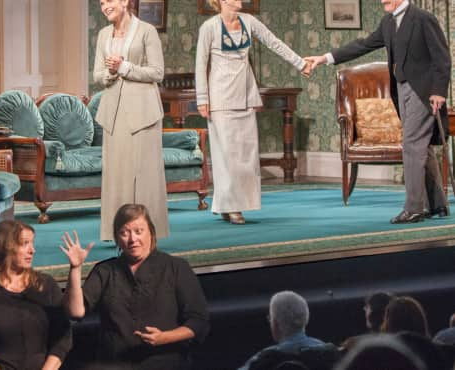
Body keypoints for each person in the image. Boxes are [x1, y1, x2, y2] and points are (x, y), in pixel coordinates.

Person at [305, 0, 451, 224]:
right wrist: (325, 58)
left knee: (412, 144)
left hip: (423, 91)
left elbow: (442, 58)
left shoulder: (422, 18)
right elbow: (362, 45)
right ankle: (438, 203)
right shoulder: (388, 22)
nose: (383, 1)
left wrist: (439, 91)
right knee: (421, 146)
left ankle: (414, 208)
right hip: (401, 89)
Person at [195, 0, 311, 225]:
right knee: (226, 156)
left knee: (246, 155)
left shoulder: (249, 22)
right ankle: (231, 206)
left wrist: (300, 63)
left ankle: (229, 203)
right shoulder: (209, 27)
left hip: (245, 96)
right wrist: (202, 99)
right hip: (221, 97)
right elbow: (200, 64)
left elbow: (274, 43)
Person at [60, 203, 210, 369]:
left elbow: (199, 321)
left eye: (139, 231)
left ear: (151, 233)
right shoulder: (105, 270)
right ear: (117, 238)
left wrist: (165, 337)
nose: (132, 239)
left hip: (164, 362)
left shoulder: (175, 267)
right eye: (124, 233)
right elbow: (76, 312)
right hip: (115, 364)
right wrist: (75, 269)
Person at [93, 0, 169, 240]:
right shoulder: (104, 34)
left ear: (125, 1)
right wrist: (109, 73)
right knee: (116, 176)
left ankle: (148, 233)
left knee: (145, 177)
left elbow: (157, 72)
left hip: (143, 114)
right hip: (114, 114)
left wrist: (124, 67)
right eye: (102, 2)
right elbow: (97, 74)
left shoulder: (147, 31)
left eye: (110, 1)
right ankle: (117, 232)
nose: (105, 6)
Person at [0, 220, 72, 370]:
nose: (32, 250)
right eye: (25, 243)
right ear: (6, 246)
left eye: (32, 243)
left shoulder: (46, 285)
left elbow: (63, 335)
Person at [238, 291, 334, 370]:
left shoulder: (264, 359)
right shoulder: (327, 352)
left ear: (275, 323)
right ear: (306, 318)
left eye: (270, 318)